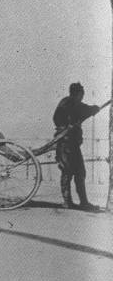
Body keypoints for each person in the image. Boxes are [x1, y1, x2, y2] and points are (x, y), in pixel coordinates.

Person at [53, 82, 100, 211]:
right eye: (81, 94)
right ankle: (71, 202)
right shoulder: (71, 103)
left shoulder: (66, 102)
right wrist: (94, 109)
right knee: (70, 172)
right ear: (78, 94)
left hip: (70, 143)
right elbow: (84, 110)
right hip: (66, 143)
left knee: (78, 172)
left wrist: (92, 110)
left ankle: (80, 202)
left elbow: (82, 111)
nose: (82, 97)